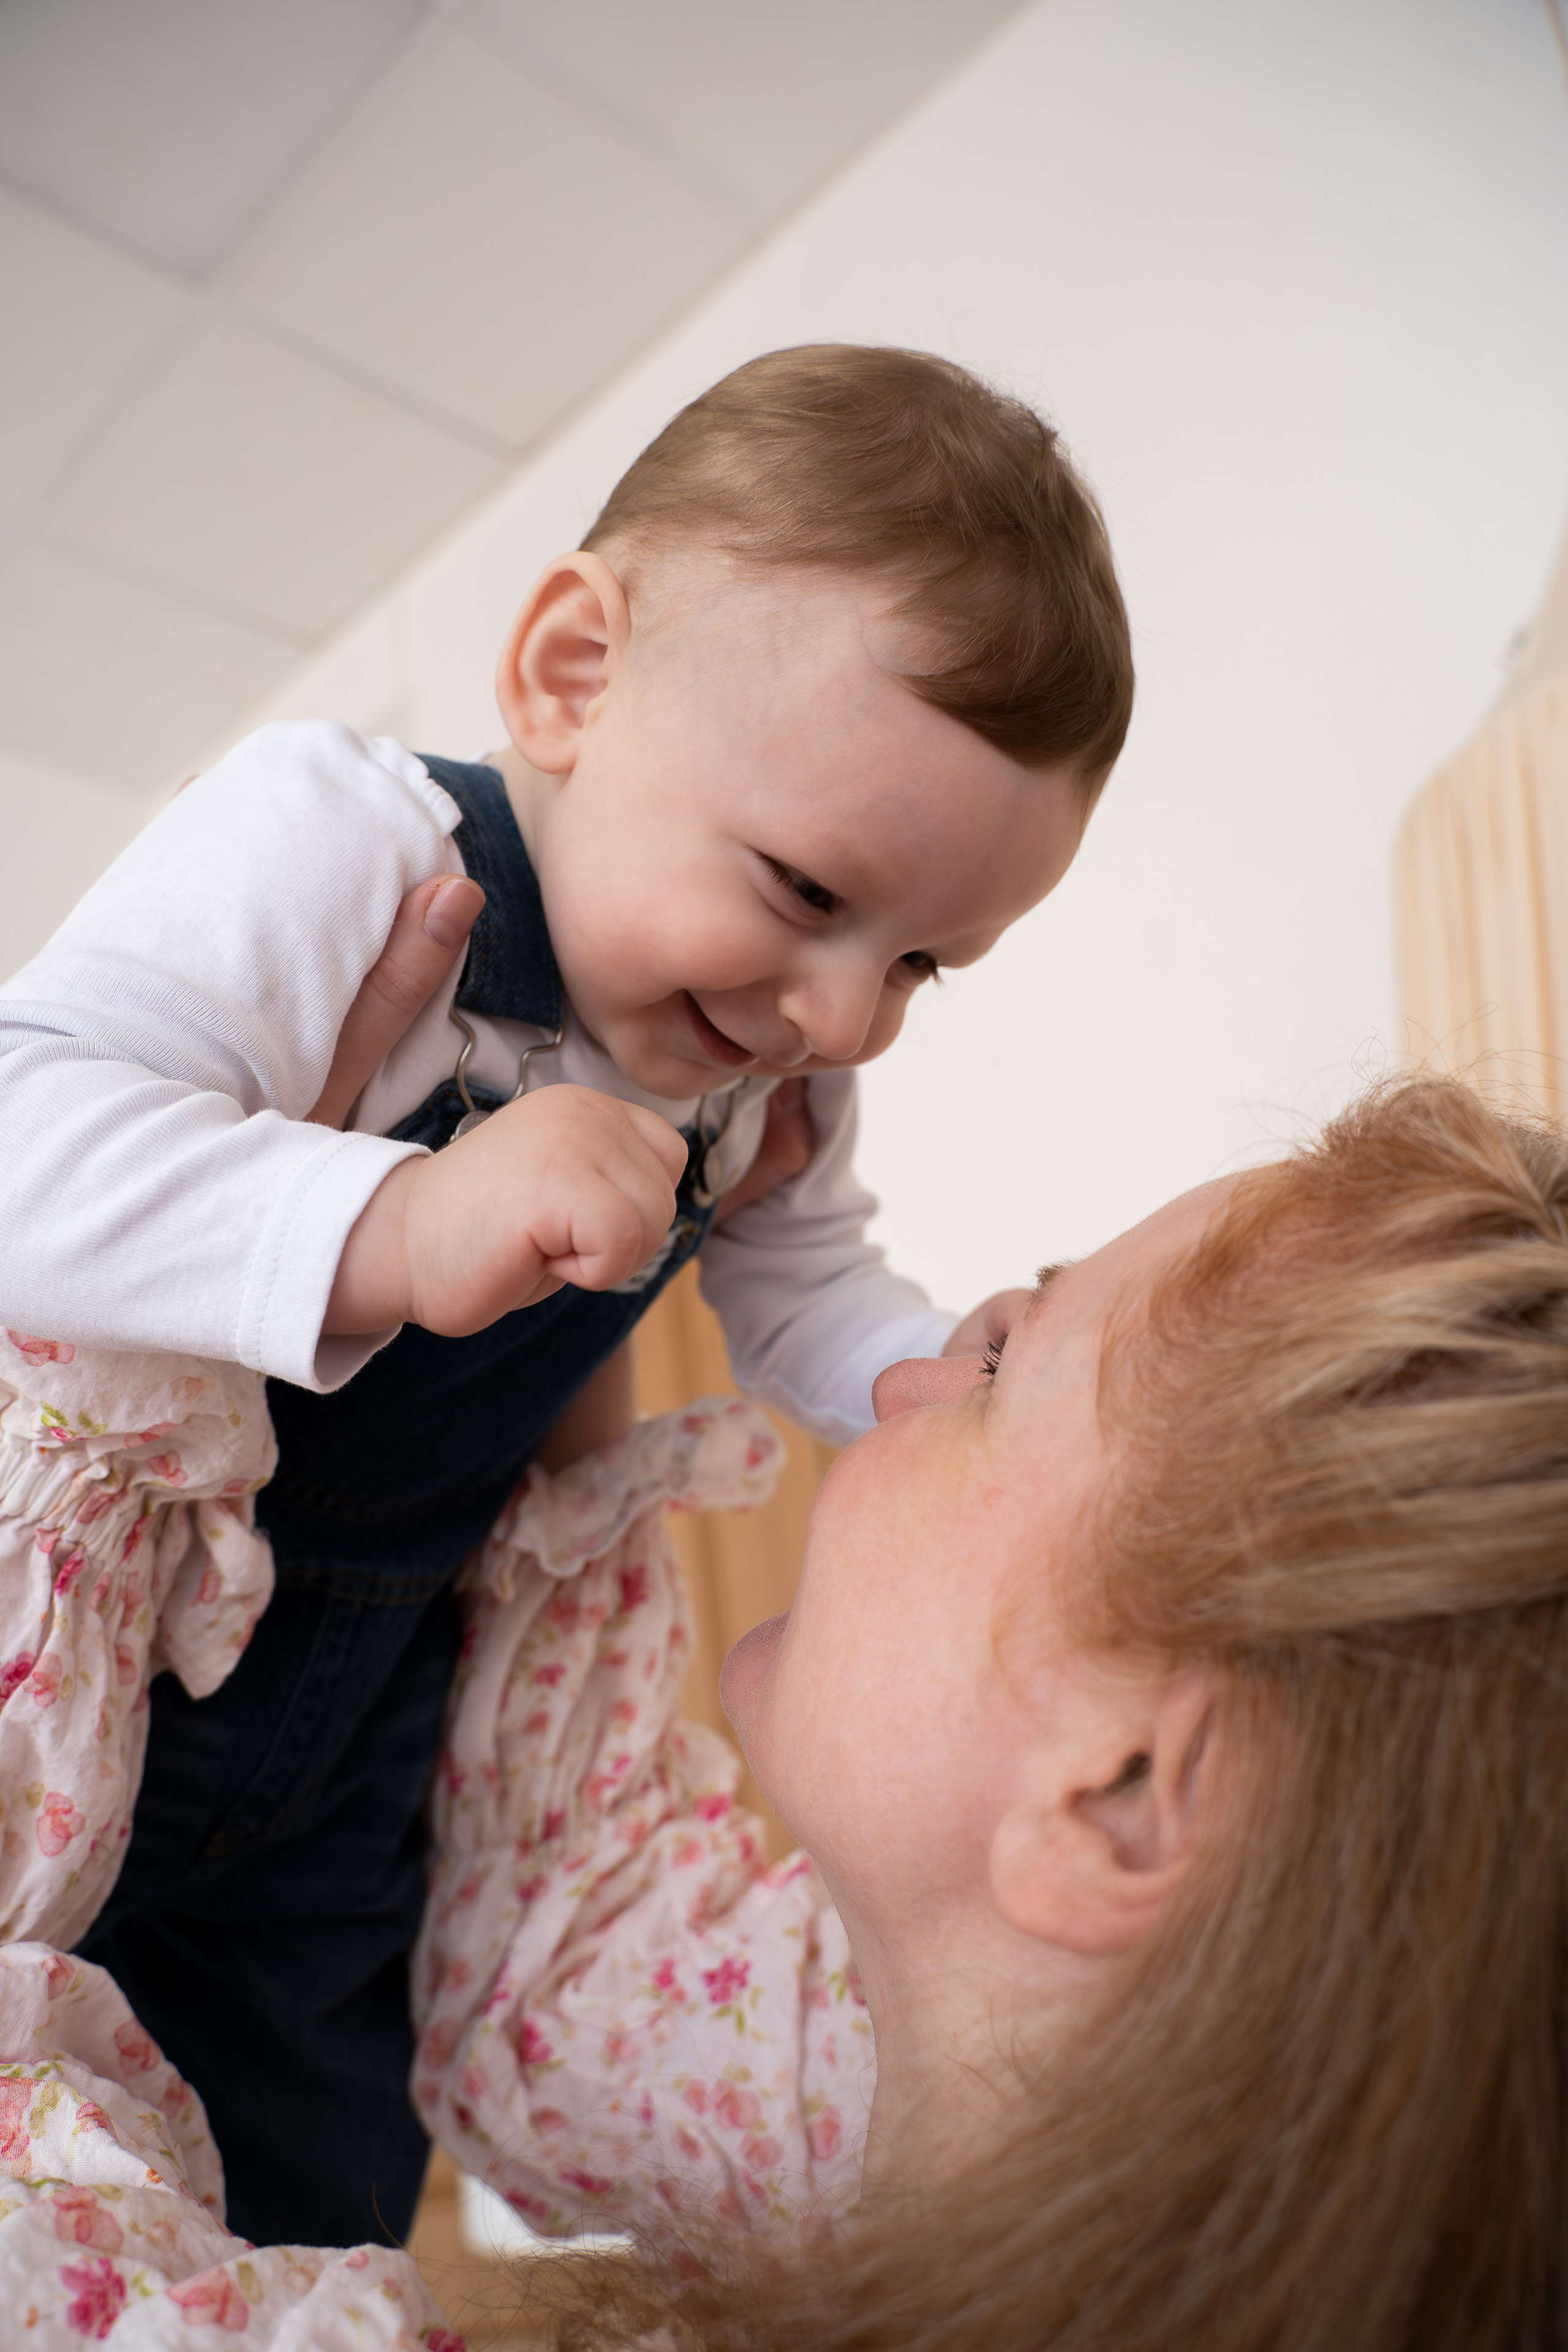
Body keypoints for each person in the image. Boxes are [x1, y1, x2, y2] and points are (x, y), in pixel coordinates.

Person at [0, 342, 1133, 2244]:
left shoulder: (769, 1070)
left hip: (360, 1720)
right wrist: (400, 1224)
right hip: (88, 1650)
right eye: (803, 891)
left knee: (304, 2187)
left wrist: (970, 1397)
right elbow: (27, 1140)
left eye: (926, 965)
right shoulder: (347, 848)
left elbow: (806, 1293)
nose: (846, 1015)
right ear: (571, 678)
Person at [408, 1072, 1568, 2348]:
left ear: (1123, 1800)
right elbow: (561, 1988)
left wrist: (151, 1387)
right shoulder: (887, 2099)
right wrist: (587, 1285)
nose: (905, 1383)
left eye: (1000, 1368)